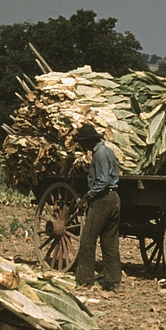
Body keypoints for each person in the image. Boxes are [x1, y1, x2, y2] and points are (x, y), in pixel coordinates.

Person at [72, 123, 122, 291]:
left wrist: (87, 196)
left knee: (87, 239)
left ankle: (85, 280)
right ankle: (113, 282)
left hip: (102, 199)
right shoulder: (107, 151)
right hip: (114, 198)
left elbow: (102, 181)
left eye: (82, 143)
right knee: (110, 241)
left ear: (88, 141)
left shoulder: (99, 154)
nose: (81, 146)